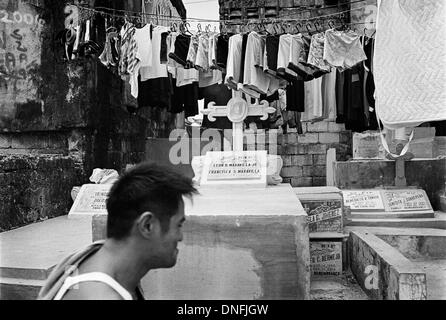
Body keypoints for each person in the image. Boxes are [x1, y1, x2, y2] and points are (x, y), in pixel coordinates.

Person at [38, 163, 197, 300]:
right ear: (147, 226)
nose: (180, 236)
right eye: (178, 225)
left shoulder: (100, 257)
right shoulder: (101, 295)